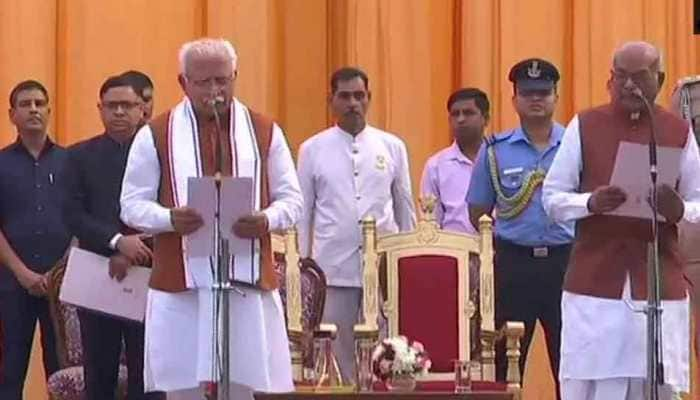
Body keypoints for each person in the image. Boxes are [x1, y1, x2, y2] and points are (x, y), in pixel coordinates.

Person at [120, 38, 303, 400]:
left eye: (222, 80)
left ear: (235, 76)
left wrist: (265, 219)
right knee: (183, 389)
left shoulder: (264, 130)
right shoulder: (155, 134)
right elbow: (130, 205)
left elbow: (293, 201)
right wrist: (170, 218)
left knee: (241, 388)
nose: (215, 91)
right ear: (182, 82)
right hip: (181, 284)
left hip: (244, 280)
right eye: (203, 82)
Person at [542, 41, 700, 400]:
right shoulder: (584, 125)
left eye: (638, 78)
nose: (629, 86)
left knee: (656, 384)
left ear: (658, 80)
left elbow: (698, 200)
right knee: (592, 382)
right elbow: (551, 198)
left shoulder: (677, 131)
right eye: (621, 77)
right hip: (595, 284)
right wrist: (590, 202)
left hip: (658, 280)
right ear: (609, 79)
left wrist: (679, 210)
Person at [297, 67, 416, 382]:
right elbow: (303, 211)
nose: (353, 103)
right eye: (345, 96)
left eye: (359, 96)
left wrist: (406, 261)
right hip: (331, 268)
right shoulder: (312, 149)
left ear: (369, 99)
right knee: (336, 353)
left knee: (386, 352)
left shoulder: (391, 146)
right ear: (331, 101)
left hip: (382, 269)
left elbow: (404, 206)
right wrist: (302, 266)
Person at [466, 58, 573, 398]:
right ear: (514, 99)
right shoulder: (495, 151)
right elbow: (479, 211)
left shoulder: (575, 146)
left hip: (565, 263)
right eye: (527, 93)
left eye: (543, 92)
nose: (536, 100)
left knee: (570, 362)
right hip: (513, 265)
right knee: (505, 364)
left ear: (556, 96)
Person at [64, 75, 164, 400]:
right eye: (112, 106)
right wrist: (117, 241)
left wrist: (138, 246)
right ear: (100, 109)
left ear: (143, 110)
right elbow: (72, 214)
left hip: (151, 276)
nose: (119, 112)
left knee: (147, 376)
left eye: (128, 105)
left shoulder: (162, 155)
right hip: (98, 275)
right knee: (100, 374)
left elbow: (171, 210)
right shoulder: (78, 156)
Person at [0, 80, 72, 399]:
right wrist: (22, 273)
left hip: (63, 285)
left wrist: (59, 271)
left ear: (49, 111)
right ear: (11, 114)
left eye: (39, 103)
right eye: (25, 104)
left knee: (62, 370)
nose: (33, 110)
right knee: (9, 368)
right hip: (11, 283)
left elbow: (80, 222)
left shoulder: (72, 162)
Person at [420, 87, 489, 234]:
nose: (461, 119)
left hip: (499, 250)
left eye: (468, 113)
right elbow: (431, 221)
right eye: (455, 114)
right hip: (454, 252)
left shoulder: (499, 158)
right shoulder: (436, 165)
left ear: (486, 118)